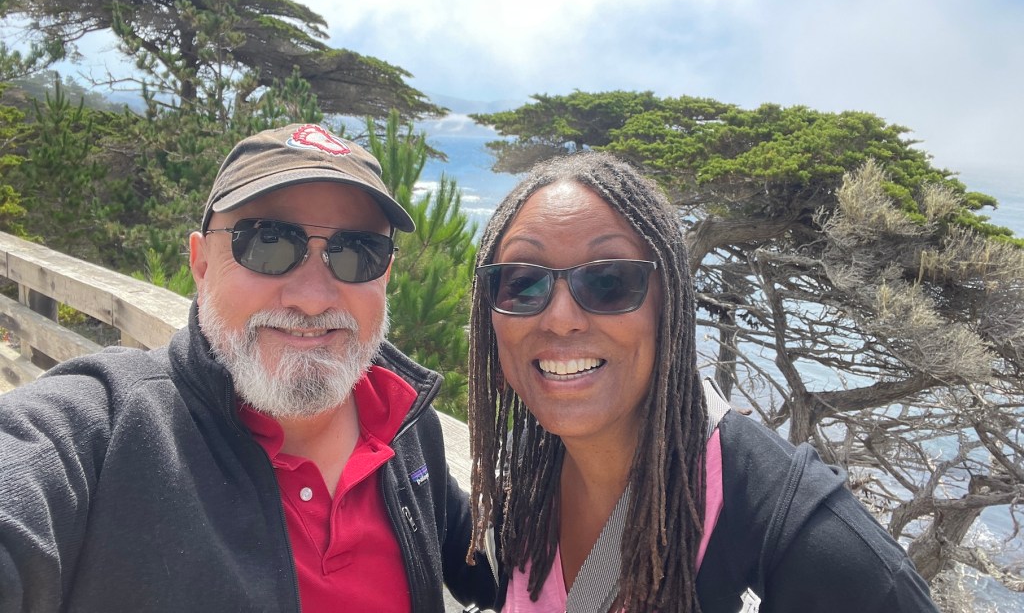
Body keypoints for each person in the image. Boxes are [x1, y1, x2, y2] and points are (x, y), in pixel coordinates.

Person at [0, 123, 496, 612]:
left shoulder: (403, 422)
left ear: (385, 274)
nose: (312, 298)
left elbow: (495, 558)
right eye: (267, 243)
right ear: (201, 263)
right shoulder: (108, 434)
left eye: (357, 252)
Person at [465, 151, 939, 613]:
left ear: (670, 305)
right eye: (522, 283)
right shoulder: (527, 479)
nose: (560, 318)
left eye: (608, 281)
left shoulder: (797, 536)